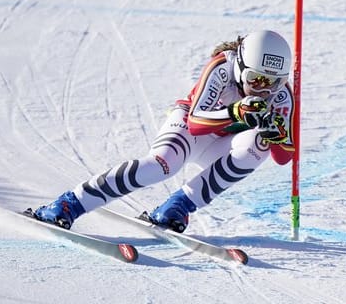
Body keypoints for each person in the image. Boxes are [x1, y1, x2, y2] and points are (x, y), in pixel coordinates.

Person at [32, 30, 295, 233]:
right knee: (161, 165)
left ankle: (178, 206)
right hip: (191, 130)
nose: (265, 89)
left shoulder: (282, 96)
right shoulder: (222, 68)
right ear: (240, 67)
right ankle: (70, 203)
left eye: (275, 81)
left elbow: (284, 158)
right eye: (256, 79)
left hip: (222, 146)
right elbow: (195, 121)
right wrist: (234, 112)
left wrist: (277, 135)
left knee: (260, 143)